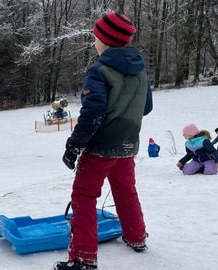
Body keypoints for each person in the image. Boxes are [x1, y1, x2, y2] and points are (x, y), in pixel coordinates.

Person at [56, 11, 152, 270]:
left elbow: (93, 113)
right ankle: (137, 237)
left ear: (105, 40)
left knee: (84, 195)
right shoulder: (140, 69)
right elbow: (146, 107)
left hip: (101, 147)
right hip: (128, 144)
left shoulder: (100, 70)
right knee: (125, 189)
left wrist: (74, 144)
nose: (94, 41)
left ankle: (83, 258)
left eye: (95, 37)